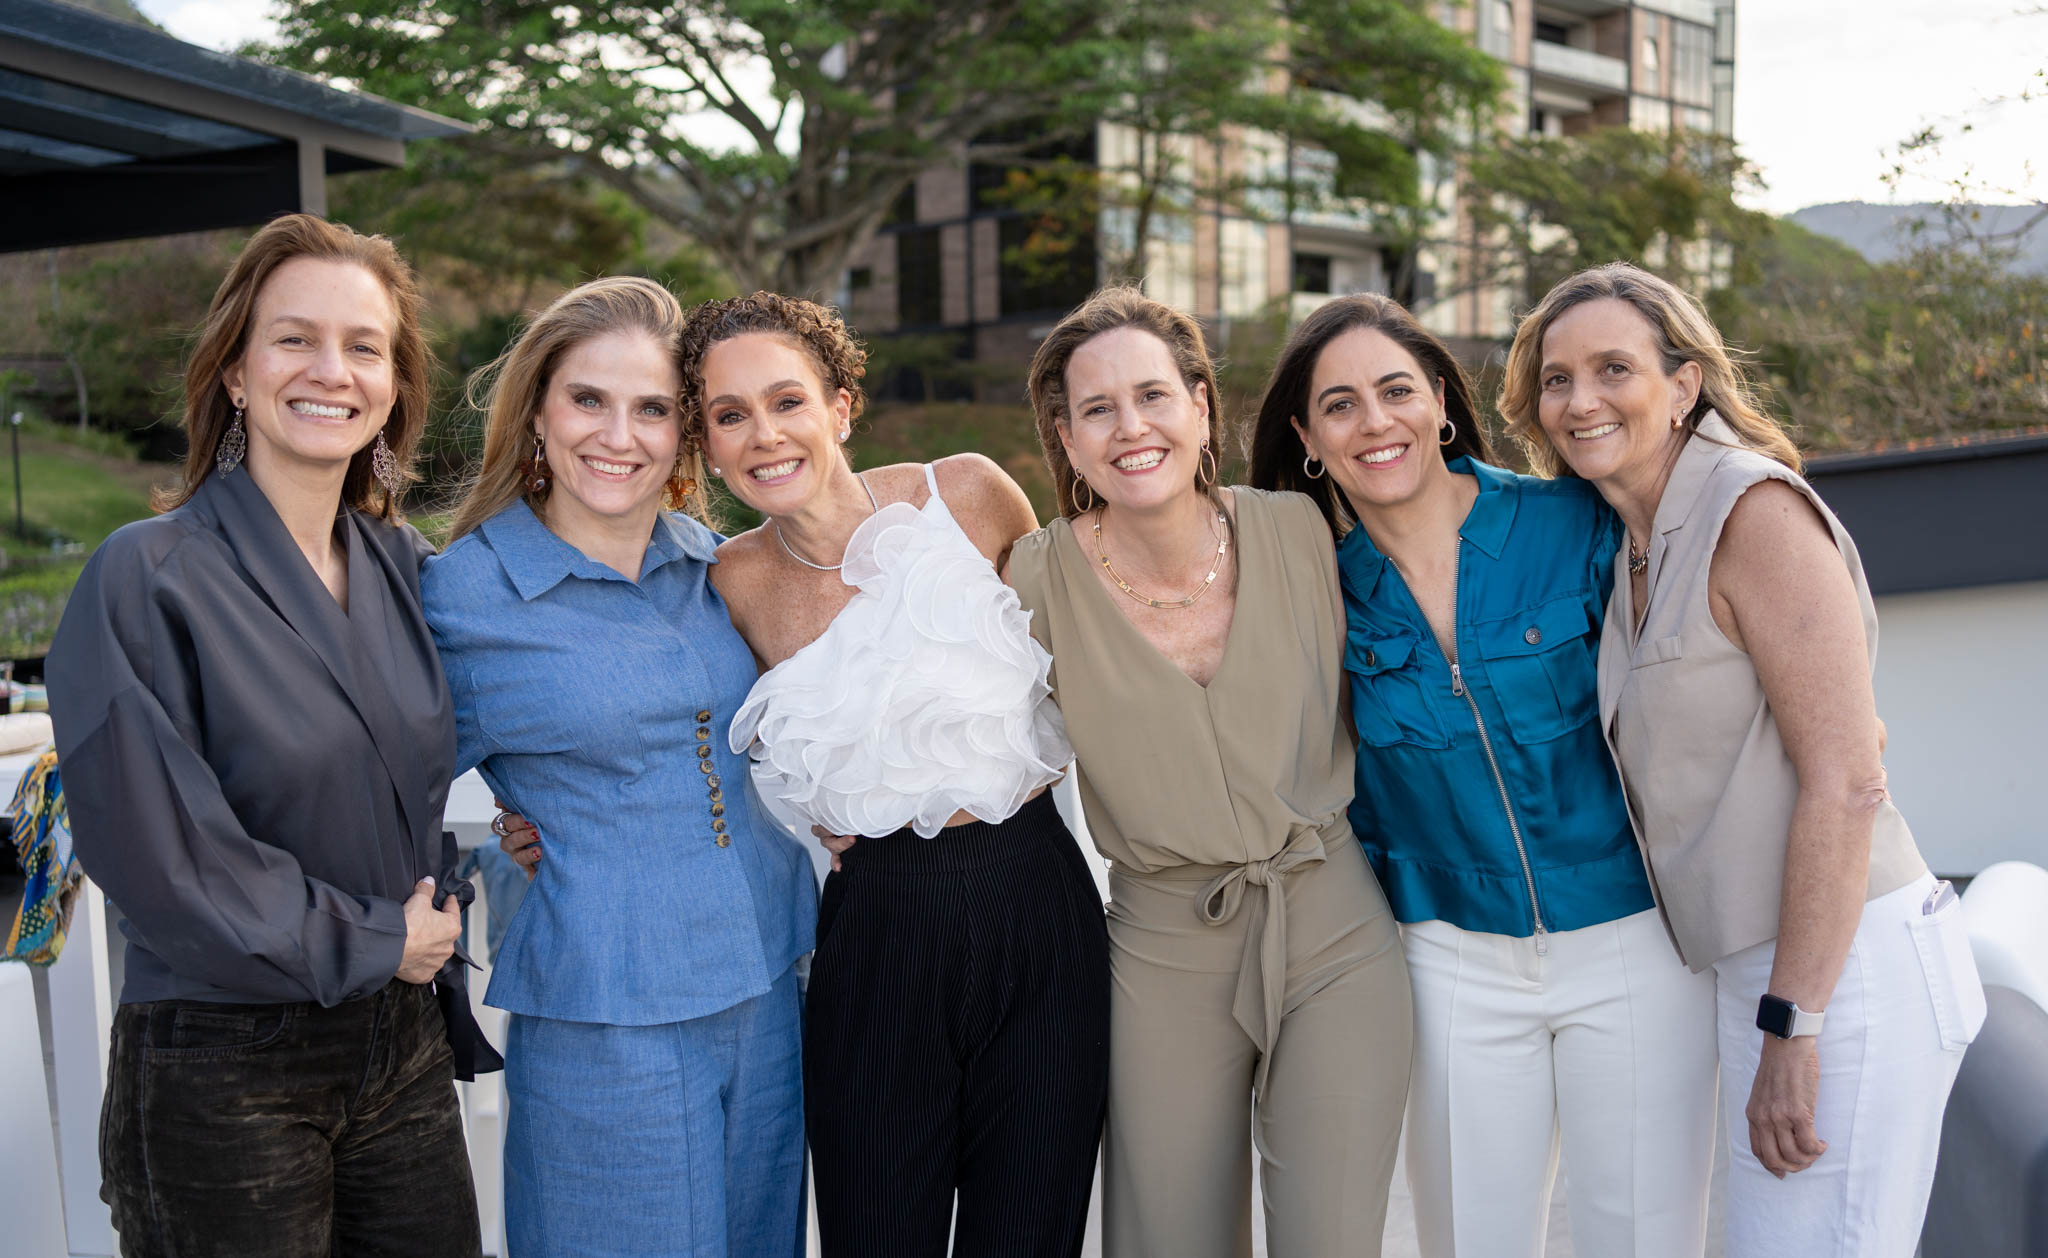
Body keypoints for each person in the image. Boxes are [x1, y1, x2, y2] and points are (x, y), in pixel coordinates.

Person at [1500, 262, 1985, 1257]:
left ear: (1681, 384)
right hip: (1760, 967)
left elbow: (1847, 780)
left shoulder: (1751, 513)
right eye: (1555, 378)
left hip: (1842, 968)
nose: (1578, 399)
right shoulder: (1628, 537)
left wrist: (1794, 1024)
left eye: (1611, 369)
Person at [45, 213, 483, 1257]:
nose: (331, 369)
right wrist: (384, 938)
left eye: (363, 345)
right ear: (235, 372)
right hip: (222, 1059)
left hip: (400, 1045)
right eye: (294, 338)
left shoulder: (400, 563)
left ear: (392, 386)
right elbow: (164, 859)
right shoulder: (144, 572)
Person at [1248, 294, 1719, 1258]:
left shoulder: (1572, 524)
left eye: (1394, 391)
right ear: (1306, 437)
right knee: (1470, 1240)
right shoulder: (1312, 592)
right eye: (1339, 406)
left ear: (1440, 404)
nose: (1374, 423)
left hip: (1629, 937)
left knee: (1644, 1237)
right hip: (1447, 960)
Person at [683, 291, 1107, 1258]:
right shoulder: (728, 583)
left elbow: (1095, 642)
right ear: (705, 445)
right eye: (729, 415)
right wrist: (524, 814)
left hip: (1041, 909)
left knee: (1030, 1237)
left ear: (839, 405)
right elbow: (661, 728)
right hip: (875, 934)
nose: (764, 435)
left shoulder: (969, 496)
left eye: (787, 401)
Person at [1001, 286, 1412, 1258]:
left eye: (1152, 395)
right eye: (1095, 408)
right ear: (1062, 437)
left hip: (1335, 923)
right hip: (1161, 946)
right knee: (1165, 1238)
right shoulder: (1029, 579)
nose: (1129, 427)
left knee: (1332, 1236)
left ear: (1199, 406)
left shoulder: (1305, 532)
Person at [422, 277, 816, 1258]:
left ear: (686, 433)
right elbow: (372, 781)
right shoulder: (462, 595)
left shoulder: (719, 565)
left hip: (769, 991)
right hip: (609, 1016)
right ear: (537, 412)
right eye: (588, 399)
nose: (618, 434)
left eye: (652, 409)